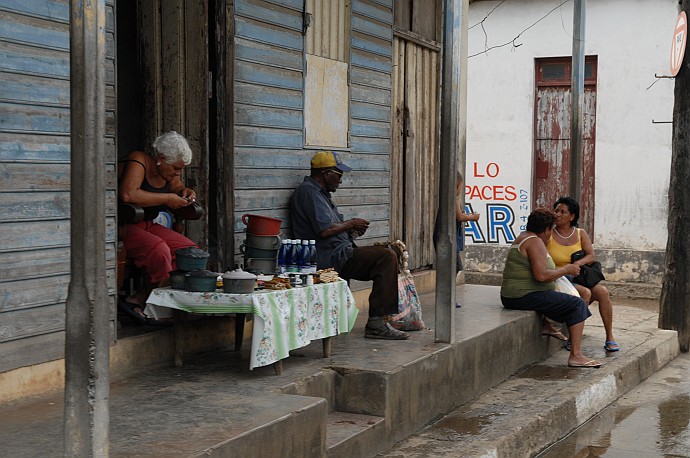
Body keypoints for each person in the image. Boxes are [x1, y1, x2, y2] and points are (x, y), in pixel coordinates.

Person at [290, 151, 409, 340]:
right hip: (327, 257)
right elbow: (324, 230)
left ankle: (383, 318)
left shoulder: (321, 195)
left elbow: (332, 228)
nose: (341, 181)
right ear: (326, 173)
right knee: (386, 257)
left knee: (391, 252)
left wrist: (352, 232)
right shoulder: (308, 192)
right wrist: (351, 224)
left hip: (339, 252)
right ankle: (376, 324)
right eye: (338, 175)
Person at [500, 208, 601, 368]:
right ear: (546, 229)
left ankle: (549, 325)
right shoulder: (534, 241)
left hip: (517, 294)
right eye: (551, 230)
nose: (551, 234)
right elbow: (541, 276)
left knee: (573, 292)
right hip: (523, 296)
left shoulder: (526, 237)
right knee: (577, 304)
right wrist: (566, 269)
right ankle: (576, 355)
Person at [118, 131, 198, 323]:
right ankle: (156, 308)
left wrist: (185, 192)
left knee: (189, 252)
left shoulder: (169, 173)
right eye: (176, 168)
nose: (178, 173)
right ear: (161, 159)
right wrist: (167, 199)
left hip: (148, 225)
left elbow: (178, 188)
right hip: (123, 227)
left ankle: (142, 297)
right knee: (158, 249)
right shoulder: (139, 161)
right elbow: (128, 195)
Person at [547, 196, 619, 352]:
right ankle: (574, 340)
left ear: (572, 217)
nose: (558, 215)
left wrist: (577, 264)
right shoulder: (549, 234)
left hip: (578, 275)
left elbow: (591, 255)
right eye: (556, 211)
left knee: (603, 292)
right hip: (560, 278)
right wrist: (566, 269)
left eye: (563, 212)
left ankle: (609, 337)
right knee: (585, 292)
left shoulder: (580, 233)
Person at [433, 172, 480, 307]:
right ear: (458, 185)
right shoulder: (452, 198)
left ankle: (447, 296)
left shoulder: (450, 198)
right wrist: (473, 217)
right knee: (453, 267)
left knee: (452, 267)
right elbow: (459, 217)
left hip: (448, 237)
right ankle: (446, 297)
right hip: (447, 239)